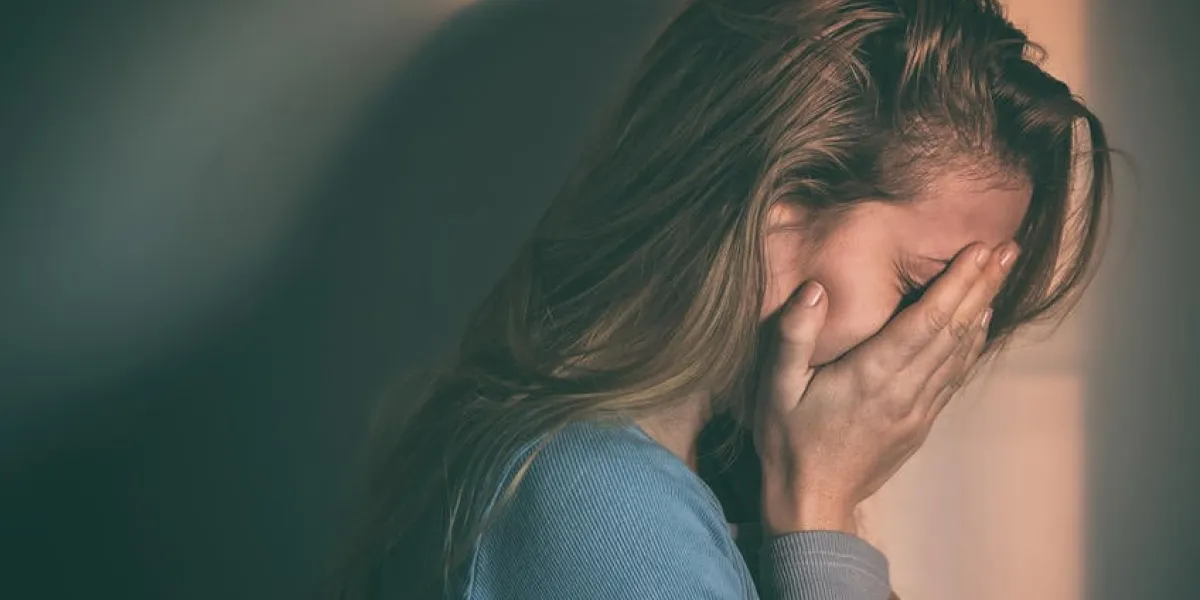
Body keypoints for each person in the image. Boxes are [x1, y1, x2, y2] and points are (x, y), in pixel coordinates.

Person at [325, 0, 1111, 598]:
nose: (940, 344)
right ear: (776, 208)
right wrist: (821, 511)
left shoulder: (652, 478)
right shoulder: (599, 500)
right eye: (923, 286)